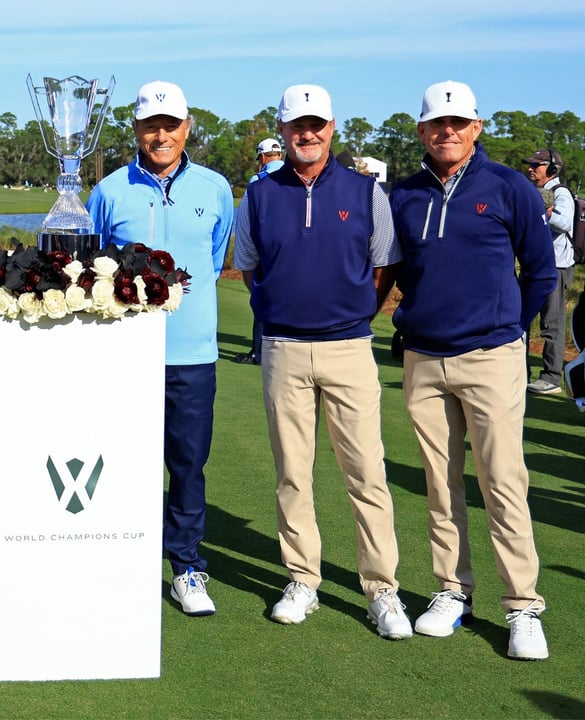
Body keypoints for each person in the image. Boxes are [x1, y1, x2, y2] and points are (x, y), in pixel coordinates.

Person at [234, 84, 412, 639]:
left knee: (367, 473)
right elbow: (248, 266)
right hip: (284, 348)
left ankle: (382, 590)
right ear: (282, 130)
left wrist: (357, 310)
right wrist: (276, 310)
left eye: (316, 124)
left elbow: (384, 266)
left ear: (331, 127)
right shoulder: (260, 195)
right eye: (296, 125)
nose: (306, 134)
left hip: (350, 348)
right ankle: (303, 578)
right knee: (293, 472)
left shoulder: (365, 191)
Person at [388, 81, 556, 660]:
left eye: (458, 122)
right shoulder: (402, 194)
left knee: (502, 480)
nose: (448, 132)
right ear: (421, 131)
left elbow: (540, 271)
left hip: (492, 355)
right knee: (440, 482)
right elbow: (402, 269)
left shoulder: (510, 186)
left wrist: (508, 327)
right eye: (437, 123)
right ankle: (453, 590)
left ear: (476, 127)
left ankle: (523, 605)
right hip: (424, 356)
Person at [87, 80, 232, 617]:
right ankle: (119, 556)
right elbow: (92, 268)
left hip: (191, 355)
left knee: (188, 466)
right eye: (152, 125)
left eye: (171, 125)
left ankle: (187, 566)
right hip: (122, 355)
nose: (162, 134)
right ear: (137, 130)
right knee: (120, 461)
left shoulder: (215, 188)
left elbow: (213, 262)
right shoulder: (108, 191)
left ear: (187, 127)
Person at [523, 148, 574, 395]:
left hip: (555, 266)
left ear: (552, 169)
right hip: (533, 265)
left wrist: (544, 211)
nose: (530, 168)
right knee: (519, 321)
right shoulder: (532, 192)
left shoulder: (560, 192)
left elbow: (564, 223)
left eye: (536, 164)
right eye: (530, 164)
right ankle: (519, 373)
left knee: (551, 324)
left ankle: (552, 377)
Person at [233, 137, 285, 366]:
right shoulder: (298, 175)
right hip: (293, 250)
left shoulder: (258, 180)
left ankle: (259, 352)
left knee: (262, 300)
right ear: (280, 155)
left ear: (263, 158)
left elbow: (247, 222)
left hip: (266, 251)